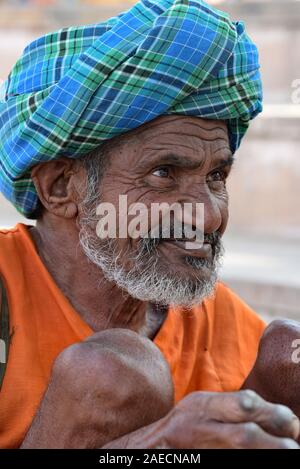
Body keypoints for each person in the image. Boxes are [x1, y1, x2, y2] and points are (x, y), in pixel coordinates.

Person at [0, 0, 299, 449]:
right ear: (61, 188)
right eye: (163, 174)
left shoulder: (212, 318)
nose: (208, 214)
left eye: (216, 176)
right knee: (111, 377)